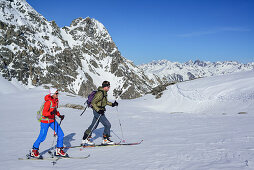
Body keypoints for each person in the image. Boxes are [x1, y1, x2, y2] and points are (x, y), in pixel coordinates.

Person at [30, 88, 67, 158]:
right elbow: (44, 113)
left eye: (57, 93)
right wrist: (51, 112)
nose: (57, 94)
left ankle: (59, 149)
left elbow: (55, 110)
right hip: (45, 121)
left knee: (61, 134)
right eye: (56, 93)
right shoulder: (48, 102)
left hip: (52, 120)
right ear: (52, 94)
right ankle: (34, 150)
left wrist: (59, 115)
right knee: (42, 137)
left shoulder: (55, 100)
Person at [81, 81, 118, 146]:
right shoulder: (100, 93)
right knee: (107, 125)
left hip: (99, 111)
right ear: (105, 87)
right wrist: (98, 110)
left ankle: (85, 139)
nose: (109, 88)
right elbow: (93, 102)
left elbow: (105, 102)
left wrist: (112, 104)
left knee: (94, 126)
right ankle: (105, 139)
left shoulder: (104, 93)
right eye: (108, 87)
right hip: (98, 111)